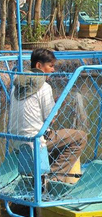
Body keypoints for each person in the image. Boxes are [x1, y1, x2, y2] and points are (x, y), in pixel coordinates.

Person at [8, 48, 87, 183]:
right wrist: (58, 104)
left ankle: (41, 176)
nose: (53, 69)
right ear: (39, 66)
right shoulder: (44, 87)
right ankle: (53, 179)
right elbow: (50, 119)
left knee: (58, 138)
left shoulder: (17, 86)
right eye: (50, 66)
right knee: (80, 137)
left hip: (15, 140)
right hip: (35, 141)